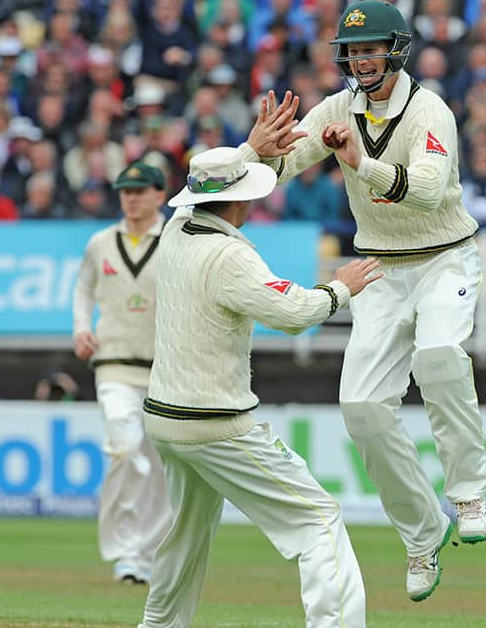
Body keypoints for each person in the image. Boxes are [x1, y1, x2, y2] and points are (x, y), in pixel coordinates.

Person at [238, 0, 486, 603]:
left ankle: (470, 492)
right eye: (352, 51)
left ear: (395, 50)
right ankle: (423, 535)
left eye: (370, 48)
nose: (360, 60)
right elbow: (283, 167)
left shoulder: (431, 110)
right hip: (380, 269)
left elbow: (428, 195)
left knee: (438, 358)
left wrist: (362, 163)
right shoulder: (338, 108)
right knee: (361, 408)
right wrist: (258, 151)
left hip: (443, 259)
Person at [137, 147, 377, 628]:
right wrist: (342, 286)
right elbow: (295, 315)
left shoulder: (175, 229)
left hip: (164, 418)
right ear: (239, 202)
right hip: (216, 424)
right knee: (319, 520)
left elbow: (211, 188)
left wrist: (250, 148)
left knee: (185, 536)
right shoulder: (230, 256)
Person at [72, 160, 173, 585]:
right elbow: (83, 289)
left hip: (164, 369)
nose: (131, 199)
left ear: (159, 195)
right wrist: (81, 328)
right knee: (124, 445)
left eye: (140, 191)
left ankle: (142, 556)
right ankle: (122, 548)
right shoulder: (101, 242)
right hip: (114, 364)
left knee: (159, 466)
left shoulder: (175, 238)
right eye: (125, 192)